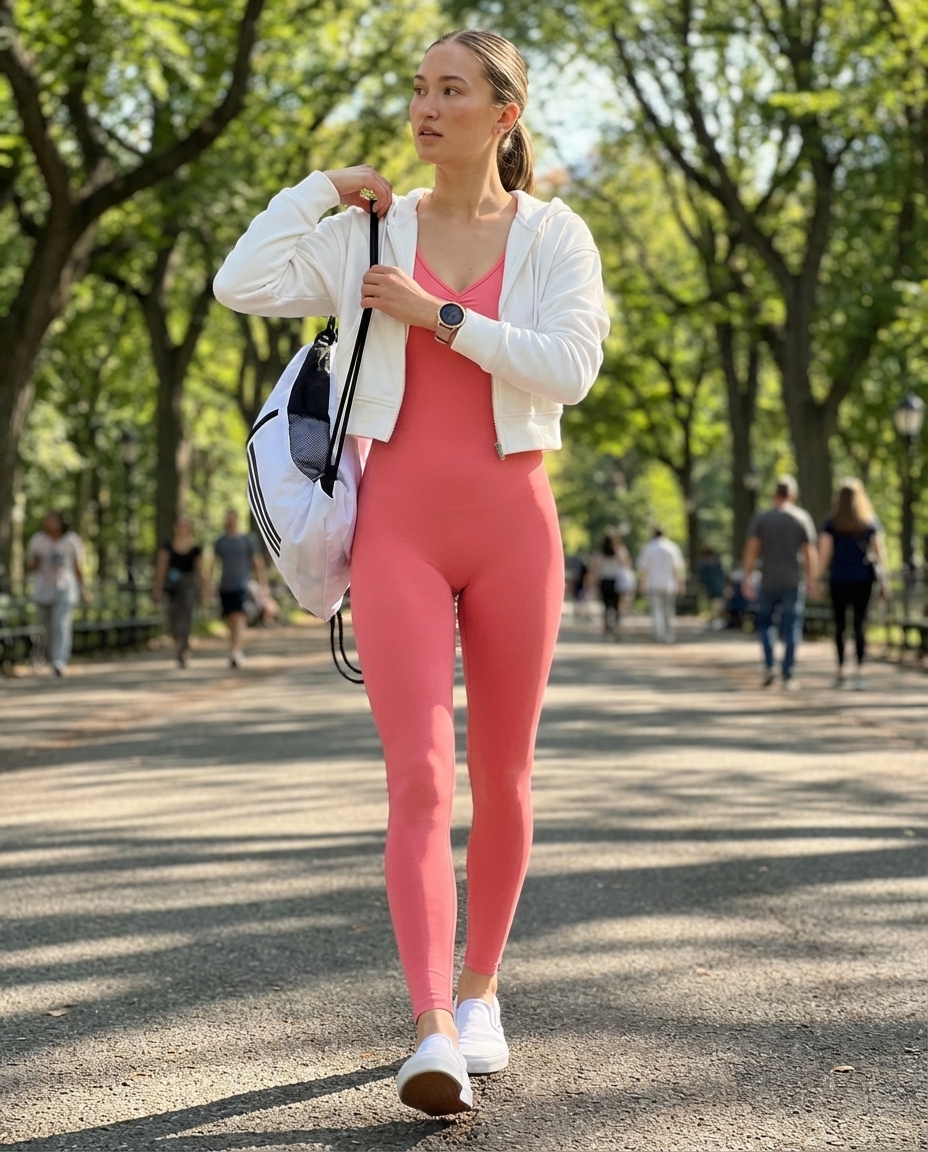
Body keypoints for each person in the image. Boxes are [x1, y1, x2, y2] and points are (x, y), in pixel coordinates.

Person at [214, 29, 608, 1116]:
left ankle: (482, 994)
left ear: (503, 114)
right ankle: (430, 1023)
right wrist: (318, 191)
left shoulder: (555, 236)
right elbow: (239, 284)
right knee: (419, 779)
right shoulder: (368, 230)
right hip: (395, 528)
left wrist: (438, 317)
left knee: (507, 777)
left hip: (515, 526)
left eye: (451, 89)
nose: (426, 106)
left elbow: (569, 367)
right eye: (418, 88)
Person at [742, 475, 818, 689]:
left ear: (774, 494)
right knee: (792, 625)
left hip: (768, 579)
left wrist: (747, 576)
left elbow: (752, 550)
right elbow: (809, 552)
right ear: (793, 494)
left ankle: (769, 666)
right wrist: (812, 579)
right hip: (793, 580)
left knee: (765, 623)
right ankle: (788, 673)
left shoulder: (762, 518)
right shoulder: (801, 518)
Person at [819, 478, 888, 690]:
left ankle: (840, 671)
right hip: (862, 579)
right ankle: (859, 672)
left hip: (838, 579)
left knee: (839, 625)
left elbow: (824, 554)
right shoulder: (868, 522)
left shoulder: (831, 523)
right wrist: (885, 582)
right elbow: (880, 553)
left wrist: (815, 579)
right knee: (859, 626)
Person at [25, 510, 86, 676]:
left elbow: (78, 566)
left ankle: (59, 661)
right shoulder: (38, 540)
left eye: (54, 520)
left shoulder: (71, 541)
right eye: (48, 520)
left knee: (61, 624)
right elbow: (29, 567)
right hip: (43, 588)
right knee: (45, 627)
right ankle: (47, 658)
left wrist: (84, 588)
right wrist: (35, 560)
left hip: (65, 588)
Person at [208, 510, 269, 668]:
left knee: (239, 618)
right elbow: (213, 564)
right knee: (230, 619)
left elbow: (257, 563)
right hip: (226, 585)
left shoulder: (247, 540)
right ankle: (233, 648)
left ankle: (237, 651)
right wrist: (208, 584)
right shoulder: (220, 542)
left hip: (242, 586)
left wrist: (262, 585)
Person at [153, 516, 204, 668]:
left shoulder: (195, 549)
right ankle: (178, 642)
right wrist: (158, 588)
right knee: (173, 618)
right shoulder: (167, 547)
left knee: (185, 618)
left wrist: (204, 588)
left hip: (189, 585)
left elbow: (199, 570)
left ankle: (183, 651)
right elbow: (161, 569)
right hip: (172, 586)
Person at [636, 527, 685, 643]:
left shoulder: (648, 548)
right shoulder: (672, 548)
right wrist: (680, 584)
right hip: (669, 583)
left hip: (653, 583)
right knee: (669, 610)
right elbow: (676, 569)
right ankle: (669, 634)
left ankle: (659, 634)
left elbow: (643, 569)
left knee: (656, 610)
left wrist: (641, 584)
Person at [587, 533, 632, 638]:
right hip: (617, 581)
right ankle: (616, 625)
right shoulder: (620, 551)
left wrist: (591, 580)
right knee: (617, 606)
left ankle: (607, 626)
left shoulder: (600, 553)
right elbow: (627, 563)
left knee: (606, 606)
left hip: (605, 581)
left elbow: (595, 567)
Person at [696, 546, 726, 630]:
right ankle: (713, 620)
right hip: (712, 587)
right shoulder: (709, 563)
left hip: (715, 587)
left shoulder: (712, 563)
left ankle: (717, 620)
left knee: (717, 604)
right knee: (712, 604)